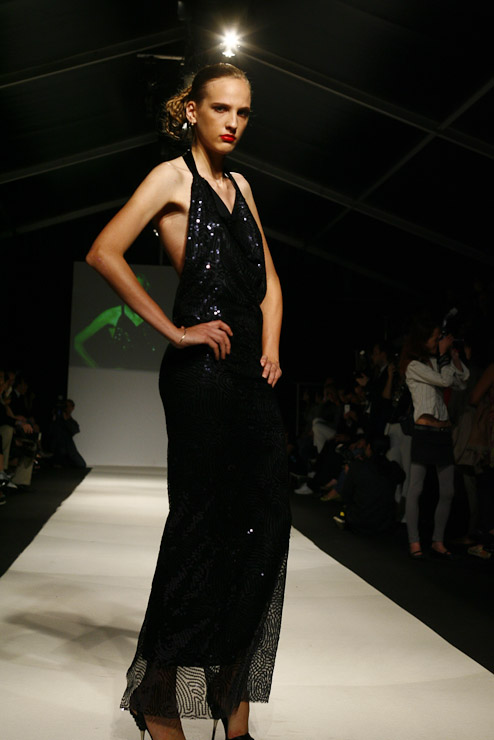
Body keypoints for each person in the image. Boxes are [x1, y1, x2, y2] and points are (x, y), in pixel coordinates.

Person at [86, 63, 290, 740]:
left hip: (251, 376)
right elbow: (104, 252)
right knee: (201, 530)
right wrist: (176, 331)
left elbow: (270, 281)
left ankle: (232, 704)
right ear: (192, 111)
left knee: (264, 529)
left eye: (244, 112)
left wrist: (272, 345)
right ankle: (160, 700)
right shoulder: (172, 179)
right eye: (221, 108)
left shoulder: (243, 187)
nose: (233, 121)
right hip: (200, 374)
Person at [401, 315, 469, 560]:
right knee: (416, 488)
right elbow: (444, 380)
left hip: (442, 432)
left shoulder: (437, 361)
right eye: (434, 337)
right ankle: (414, 541)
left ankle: (438, 540)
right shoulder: (413, 365)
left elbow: (461, 383)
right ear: (422, 339)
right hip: (424, 432)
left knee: (448, 490)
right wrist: (444, 358)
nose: (437, 341)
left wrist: (453, 358)